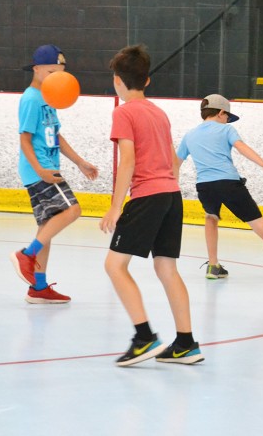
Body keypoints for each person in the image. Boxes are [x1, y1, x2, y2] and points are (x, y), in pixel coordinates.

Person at [100, 44, 204, 367]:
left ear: (117, 81)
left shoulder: (123, 112)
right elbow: (172, 159)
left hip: (147, 196)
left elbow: (128, 160)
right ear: (147, 81)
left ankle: (144, 337)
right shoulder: (159, 113)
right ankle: (186, 343)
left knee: (114, 266)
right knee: (166, 269)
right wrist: (167, 188)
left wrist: (116, 206)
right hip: (172, 196)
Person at [176, 94, 263, 285]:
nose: (227, 120)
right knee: (259, 224)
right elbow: (242, 148)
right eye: (227, 116)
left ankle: (213, 265)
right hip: (229, 183)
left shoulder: (190, 135)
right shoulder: (226, 129)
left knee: (211, 218)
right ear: (221, 112)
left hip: (204, 186)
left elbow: (175, 163)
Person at [10, 44, 99, 304]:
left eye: (60, 72)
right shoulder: (31, 99)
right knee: (73, 210)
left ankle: (38, 287)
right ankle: (27, 254)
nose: (56, 78)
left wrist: (79, 162)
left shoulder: (50, 97)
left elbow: (55, 135)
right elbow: (25, 139)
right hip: (40, 169)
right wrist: (41, 170)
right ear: (36, 69)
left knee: (46, 229)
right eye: (51, 72)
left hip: (47, 166)